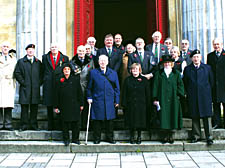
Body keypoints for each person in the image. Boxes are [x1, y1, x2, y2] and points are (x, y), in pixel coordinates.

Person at [87, 55, 120, 144]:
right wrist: (89, 97)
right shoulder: (93, 73)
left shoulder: (113, 73)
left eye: (104, 60)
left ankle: (110, 138)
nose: (102, 62)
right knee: (97, 120)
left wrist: (117, 100)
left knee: (110, 121)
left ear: (107, 62)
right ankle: (97, 138)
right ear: (98, 62)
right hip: (98, 99)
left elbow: (117, 88)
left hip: (110, 100)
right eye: (101, 60)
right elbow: (89, 87)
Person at [183, 49, 214, 145]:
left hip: (205, 96)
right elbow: (185, 83)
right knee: (195, 117)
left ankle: (209, 136)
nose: (196, 59)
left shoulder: (207, 68)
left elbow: (211, 82)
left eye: (198, 57)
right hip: (193, 96)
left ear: (200, 58)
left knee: (207, 117)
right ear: (191, 59)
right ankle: (196, 136)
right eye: (194, 57)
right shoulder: (188, 69)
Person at [152, 55, 184, 144]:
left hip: (174, 99)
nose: (167, 64)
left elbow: (180, 85)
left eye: (169, 63)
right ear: (163, 64)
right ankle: (164, 136)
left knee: (172, 116)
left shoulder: (176, 73)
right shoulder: (159, 74)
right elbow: (155, 86)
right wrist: (155, 98)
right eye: (165, 63)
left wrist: (178, 94)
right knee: (163, 117)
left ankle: (171, 136)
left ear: (172, 64)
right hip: (162, 99)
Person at [14, 44, 43, 131]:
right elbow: (17, 73)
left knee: (34, 107)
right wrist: (23, 83)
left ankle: (34, 125)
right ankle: (23, 125)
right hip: (25, 88)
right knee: (24, 108)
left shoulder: (38, 62)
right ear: (26, 51)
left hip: (35, 89)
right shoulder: (21, 61)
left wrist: (38, 83)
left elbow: (42, 74)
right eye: (29, 49)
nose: (31, 51)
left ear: (34, 51)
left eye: (32, 50)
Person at [54, 63, 83, 146]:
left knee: (76, 123)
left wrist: (81, 104)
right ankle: (66, 139)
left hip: (75, 105)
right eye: (65, 70)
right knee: (65, 124)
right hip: (64, 105)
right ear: (63, 71)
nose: (66, 71)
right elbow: (56, 94)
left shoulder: (75, 79)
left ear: (70, 71)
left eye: (68, 69)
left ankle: (75, 139)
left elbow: (79, 92)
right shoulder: (59, 80)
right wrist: (56, 106)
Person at [42, 43, 69, 130]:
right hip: (48, 84)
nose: (54, 49)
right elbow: (42, 69)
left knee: (60, 104)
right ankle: (50, 125)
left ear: (58, 48)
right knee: (49, 105)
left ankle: (59, 125)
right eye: (52, 47)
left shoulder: (64, 58)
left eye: (55, 47)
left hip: (60, 84)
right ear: (50, 48)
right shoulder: (45, 57)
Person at [122, 63, 150, 144]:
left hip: (141, 105)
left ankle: (139, 136)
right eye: (133, 69)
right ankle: (132, 137)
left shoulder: (144, 80)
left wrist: (148, 104)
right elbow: (124, 93)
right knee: (131, 121)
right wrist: (124, 104)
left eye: (136, 69)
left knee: (140, 121)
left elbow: (147, 93)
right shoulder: (127, 80)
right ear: (131, 70)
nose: (135, 71)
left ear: (140, 70)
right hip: (130, 104)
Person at [70, 45, 94, 129]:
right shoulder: (72, 61)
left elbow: (93, 73)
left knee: (86, 108)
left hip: (87, 87)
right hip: (76, 88)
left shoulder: (90, 61)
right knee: (77, 108)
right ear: (77, 51)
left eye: (83, 51)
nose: (81, 53)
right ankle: (77, 126)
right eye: (79, 51)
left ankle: (85, 125)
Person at [207, 38, 225, 129]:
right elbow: (208, 71)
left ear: (222, 44)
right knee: (216, 105)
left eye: (218, 44)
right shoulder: (210, 56)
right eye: (215, 44)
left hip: (224, 85)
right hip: (214, 85)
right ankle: (217, 123)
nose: (216, 46)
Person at [0, 42, 17, 130]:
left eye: (7, 46)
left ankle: (8, 124)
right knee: (0, 104)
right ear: (1, 48)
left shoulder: (13, 59)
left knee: (8, 105)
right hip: (1, 82)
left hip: (9, 83)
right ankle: (0, 123)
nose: (5, 48)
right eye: (4, 46)